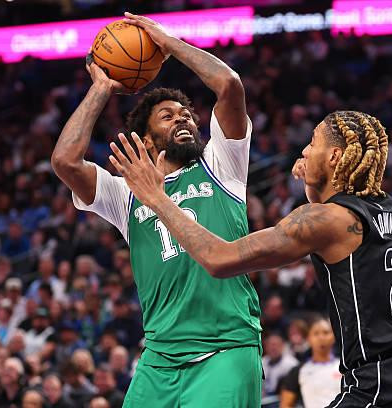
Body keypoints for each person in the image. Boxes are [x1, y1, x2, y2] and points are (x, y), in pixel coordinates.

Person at [112, 109, 392, 407]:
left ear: (335, 157)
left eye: (313, 143)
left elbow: (218, 258)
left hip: (384, 380)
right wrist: (314, 182)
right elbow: (329, 215)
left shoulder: (326, 220)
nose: (304, 151)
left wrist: (157, 199)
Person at [51, 12, 262, 408]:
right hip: (158, 357)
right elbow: (65, 161)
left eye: (186, 115)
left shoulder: (222, 165)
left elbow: (229, 85)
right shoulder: (126, 192)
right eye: (167, 116)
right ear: (146, 141)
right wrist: (101, 88)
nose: (182, 118)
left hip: (225, 348)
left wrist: (169, 43)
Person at [280, 318, 342, 408]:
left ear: (334, 337)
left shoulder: (345, 368)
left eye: (326, 333)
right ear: (308, 338)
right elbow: (286, 404)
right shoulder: (298, 371)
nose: (321, 338)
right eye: (316, 333)